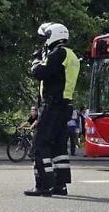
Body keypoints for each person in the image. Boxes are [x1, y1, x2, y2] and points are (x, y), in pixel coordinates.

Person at [24, 22, 80, 197]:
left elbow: (40, 72)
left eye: (45, 38)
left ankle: (43, 184)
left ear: (52, 36)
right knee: (58, 147)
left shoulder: (59, 53)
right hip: (65, 106)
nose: (43, 43)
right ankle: (60, 185)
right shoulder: (70, 54)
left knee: (40, 145)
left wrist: (35, 59)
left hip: (53, 106)